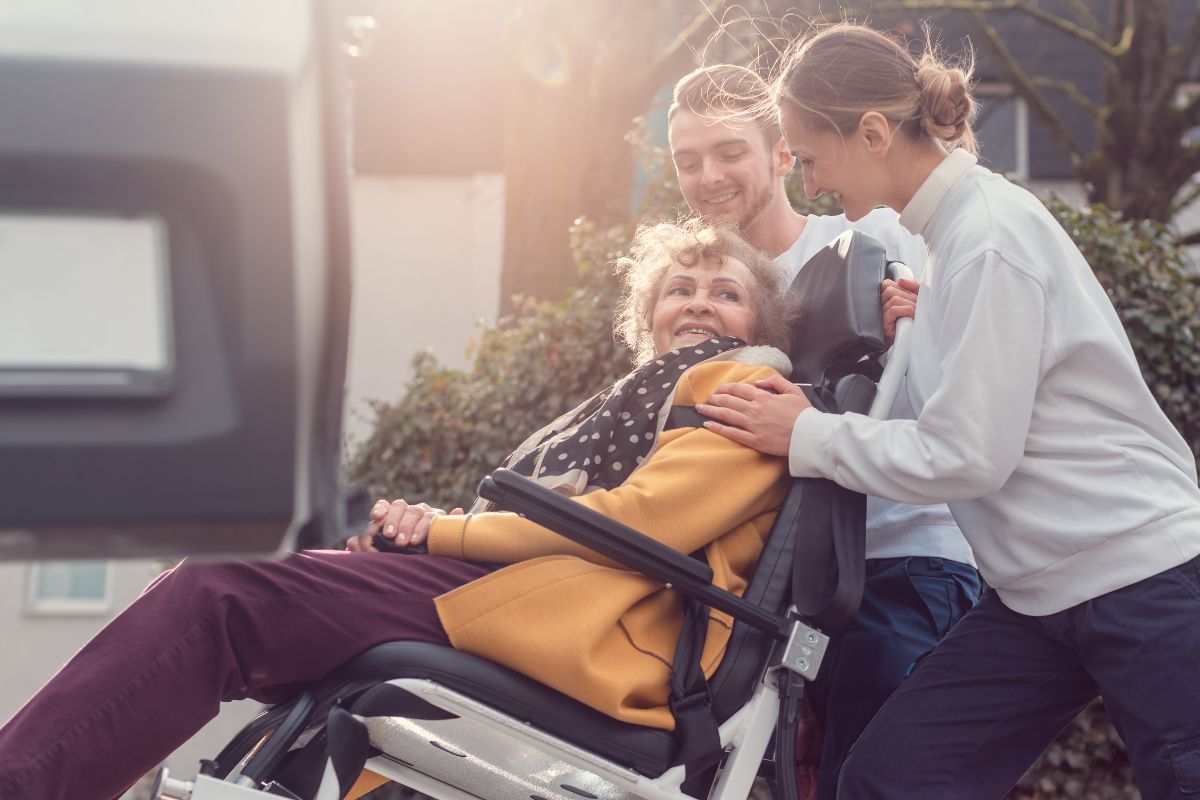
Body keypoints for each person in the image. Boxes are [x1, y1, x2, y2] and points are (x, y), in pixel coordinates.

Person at [0, 219, 818, 800]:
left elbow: (639, 524)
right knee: (249, 594)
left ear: (762, 323)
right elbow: (553, 510)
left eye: (727, 292)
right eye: (680, 289)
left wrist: (443, 532)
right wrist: (418, 539)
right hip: (532, 597)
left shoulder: (744, 387)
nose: (701, 303)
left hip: (598, 632)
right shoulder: (624, 401)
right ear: (648, 321)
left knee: (223, 591)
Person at [698, 23, 1200, 799]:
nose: (811, 182)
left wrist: (806, 435)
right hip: (1037, 596)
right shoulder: (946, 246)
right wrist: (896, 347)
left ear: (871, 134)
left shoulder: (989, 239)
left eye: (811, 156)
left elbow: (968, 456)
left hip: (1144, 576)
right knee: (889, 780)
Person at [668, 63, 980, 798]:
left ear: (785, 155)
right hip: (771, 590)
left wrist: (925, 320)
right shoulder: (701, 289)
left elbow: (961, 379)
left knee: (871, 775)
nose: (707, 176)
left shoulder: (866, 236)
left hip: (897, 562)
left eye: (728, 152)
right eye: (688, 161)